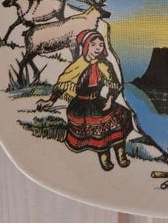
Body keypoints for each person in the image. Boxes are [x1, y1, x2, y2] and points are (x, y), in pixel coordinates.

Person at [37, 29, 133, 171]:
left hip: (99, 100)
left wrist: (110, 99)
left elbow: (113, 83)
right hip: (81, 104)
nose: (97, 48)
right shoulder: (78, 65)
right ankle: (104, 157)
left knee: (118, 119)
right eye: (93, 44)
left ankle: (121, 154)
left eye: (100, 45)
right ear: (86, 46)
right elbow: (63, 82)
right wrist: (51, 101)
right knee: (99, 130)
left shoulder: (105, 64)